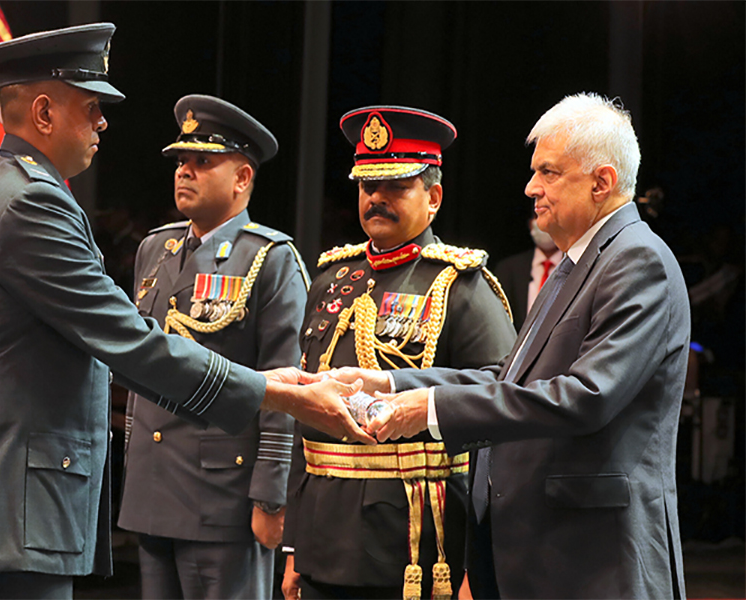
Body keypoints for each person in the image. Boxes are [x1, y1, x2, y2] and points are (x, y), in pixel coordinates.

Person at [0, 23, 371, 600]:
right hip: (6, 511)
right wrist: (278, 394)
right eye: (92, 106)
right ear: (45, 112)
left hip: (2, 505)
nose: (102, 123)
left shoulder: (15, 190)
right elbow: (131, 343)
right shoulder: (31, 203)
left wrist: (263, 385)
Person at [326, 93, 690, 599]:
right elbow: (507, 377)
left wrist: (428, 410)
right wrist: (389, 382)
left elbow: (586, 396)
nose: (530, 187)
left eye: (548, 172)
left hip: (595, 560)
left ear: (601, 182)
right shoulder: (577, 262)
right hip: (545, 554)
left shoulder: (636, 262)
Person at [281, 106, 516, 600]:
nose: (376, 198)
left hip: (417, 548)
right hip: (325, 536)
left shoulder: (462, 285)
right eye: (368, 186)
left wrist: (481, 560)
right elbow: (304, 417)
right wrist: (293, 545)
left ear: (433, 197)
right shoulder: (329, 279)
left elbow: (500, 408)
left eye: (396, 187)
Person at [117, 94, 310, 599]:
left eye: (203, 161)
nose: (185, 172)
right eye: (182, 161)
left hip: (222, 495)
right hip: (153, 488)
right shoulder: (155, 248)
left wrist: (271, 497)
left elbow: (284, 385)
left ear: (242, 177)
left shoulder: (270, 259)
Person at [493, 216, 562, 331]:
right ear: (531, 224)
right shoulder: (508, 269)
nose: (545, 222)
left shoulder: (578, 267)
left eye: (550, 213)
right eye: (539, 214)